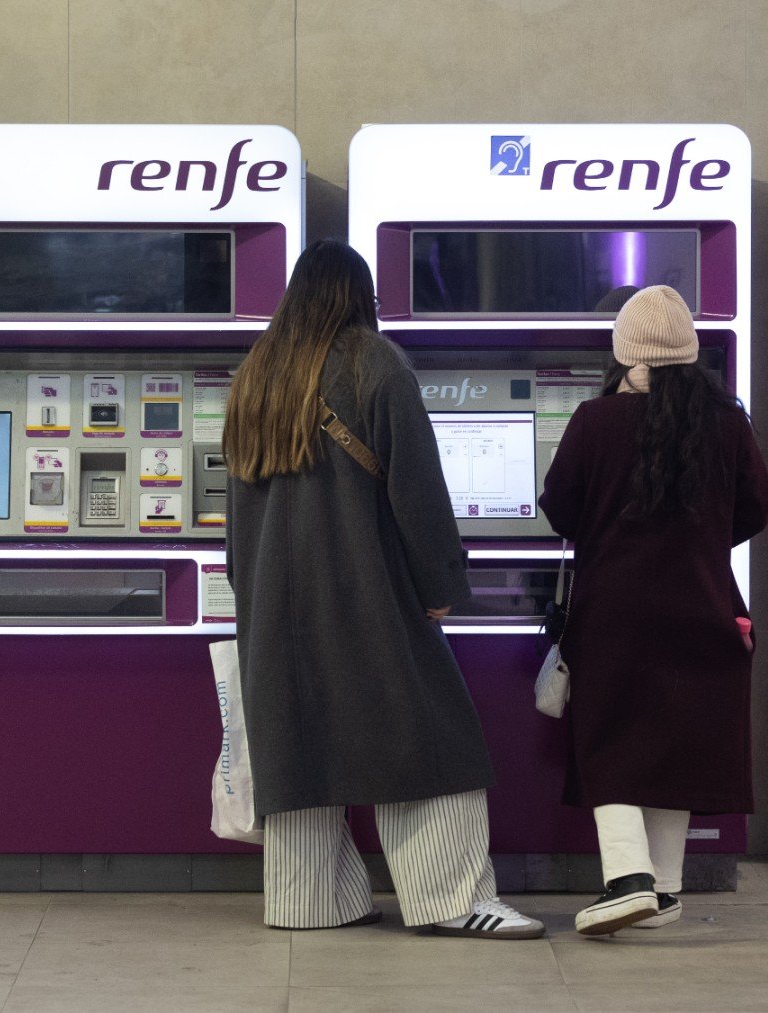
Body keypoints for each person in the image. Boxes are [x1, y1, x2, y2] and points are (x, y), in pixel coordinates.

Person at [224, 239, 544, 940]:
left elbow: (237, 506)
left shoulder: (257, 375)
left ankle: (311, 901)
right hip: (363, 593)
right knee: (431, 736)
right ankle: (451, 896)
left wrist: (247, 588)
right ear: (359, 296)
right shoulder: (376, 364)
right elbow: (419, 494)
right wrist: (439, 585)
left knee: (300, 745)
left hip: (275, 606)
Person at [538, 284, 768, 936]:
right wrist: (697, 540)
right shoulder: (726, 419)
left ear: (624, 350)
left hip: (613, 614)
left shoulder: (595, 420)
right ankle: (663, 893)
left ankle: (629, 880)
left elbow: (559, 506)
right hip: (703, 608)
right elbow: (758, 506)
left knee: (608, 742)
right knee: (678, 747)